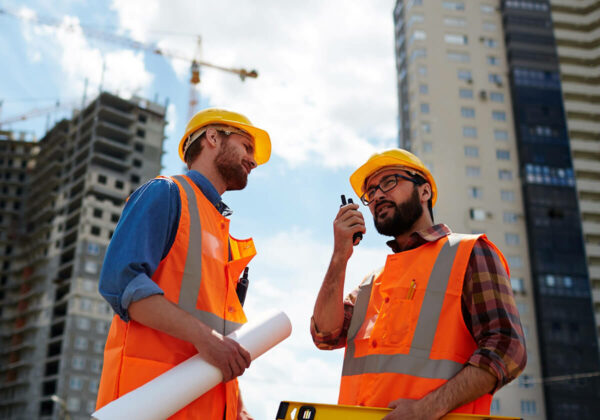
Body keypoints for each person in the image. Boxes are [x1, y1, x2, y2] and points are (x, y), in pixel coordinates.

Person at [311, 149, 526, 420]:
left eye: (389, 182)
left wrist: (428, 408)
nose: (377, 195)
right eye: (370, 192)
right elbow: (324, 334)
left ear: (424, 192)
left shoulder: (469, 253)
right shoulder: (372, 283)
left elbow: (508, 349)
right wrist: (340, 254)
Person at [95, 108, 271, 420]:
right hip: (145, 406)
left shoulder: (223, 237)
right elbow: (121, 284)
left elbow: (223, 340)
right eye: (247, 146)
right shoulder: (166, 193)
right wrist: (207, 339)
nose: (253, 161)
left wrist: (237, 406)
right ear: (213, 137)